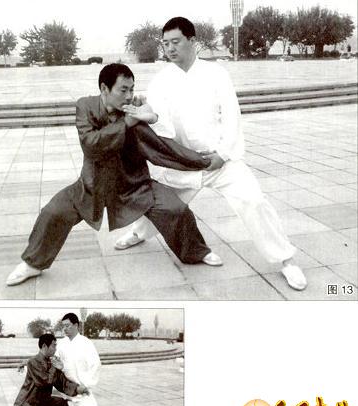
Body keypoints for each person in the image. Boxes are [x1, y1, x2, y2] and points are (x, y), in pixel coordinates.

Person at [115, 17, 307, 291]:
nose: (170, 48)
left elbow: (231, 117)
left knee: (253, 201)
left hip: (220, 161)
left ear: (192, 41)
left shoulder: (216, 74)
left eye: (176, 42)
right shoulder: (161, 81)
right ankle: (138, 233)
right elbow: (161, 125)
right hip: (182, 162)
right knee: (164, 206)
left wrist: (223, 154)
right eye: (166, 43)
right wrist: (149, 116)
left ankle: (286, 260)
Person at [6, 63, 224, 286]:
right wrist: (126, 123)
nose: (129, 96)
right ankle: (32, 264)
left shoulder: (133, 111)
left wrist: (203, 161)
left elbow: (160, 147)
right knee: (53, 212)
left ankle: (195, 252)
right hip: (91, 186)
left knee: (175, 209)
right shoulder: (86, 106)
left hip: (134, 184)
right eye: (123, 90)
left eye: (132, 89)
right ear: (104, 88)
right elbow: (90, 144)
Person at [34, 313, 123, 406]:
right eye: (63, 326)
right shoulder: (62, 343)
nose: (65, 329)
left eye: (68, 325)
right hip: (63, 385)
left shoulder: (86, 343)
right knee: (45, 393)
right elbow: (50, 358)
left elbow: (95, 365)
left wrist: (86, 385)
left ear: (76, 325)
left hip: (79, 387)